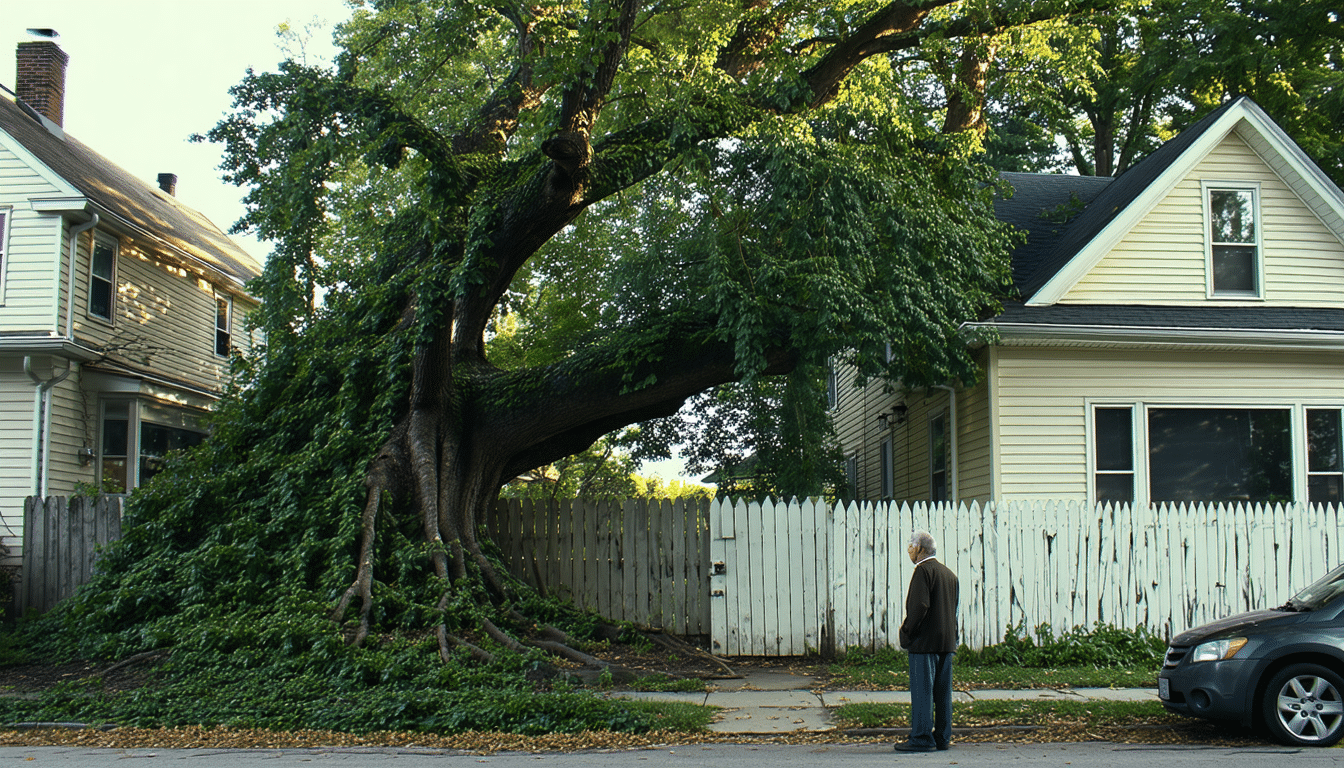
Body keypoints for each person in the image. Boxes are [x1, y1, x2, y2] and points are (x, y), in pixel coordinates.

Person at [893, 530, 959, 753]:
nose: (909, 550)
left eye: (911, 546)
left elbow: (919, 607)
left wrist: (907, 632)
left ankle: (921, 738)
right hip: (947, 643)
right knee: (943, 693)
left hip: (924, 644)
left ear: (920, 548)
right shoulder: (949, 575)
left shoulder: (923, 572)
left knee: (923, 692)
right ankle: (942, 737)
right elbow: (953, 610)